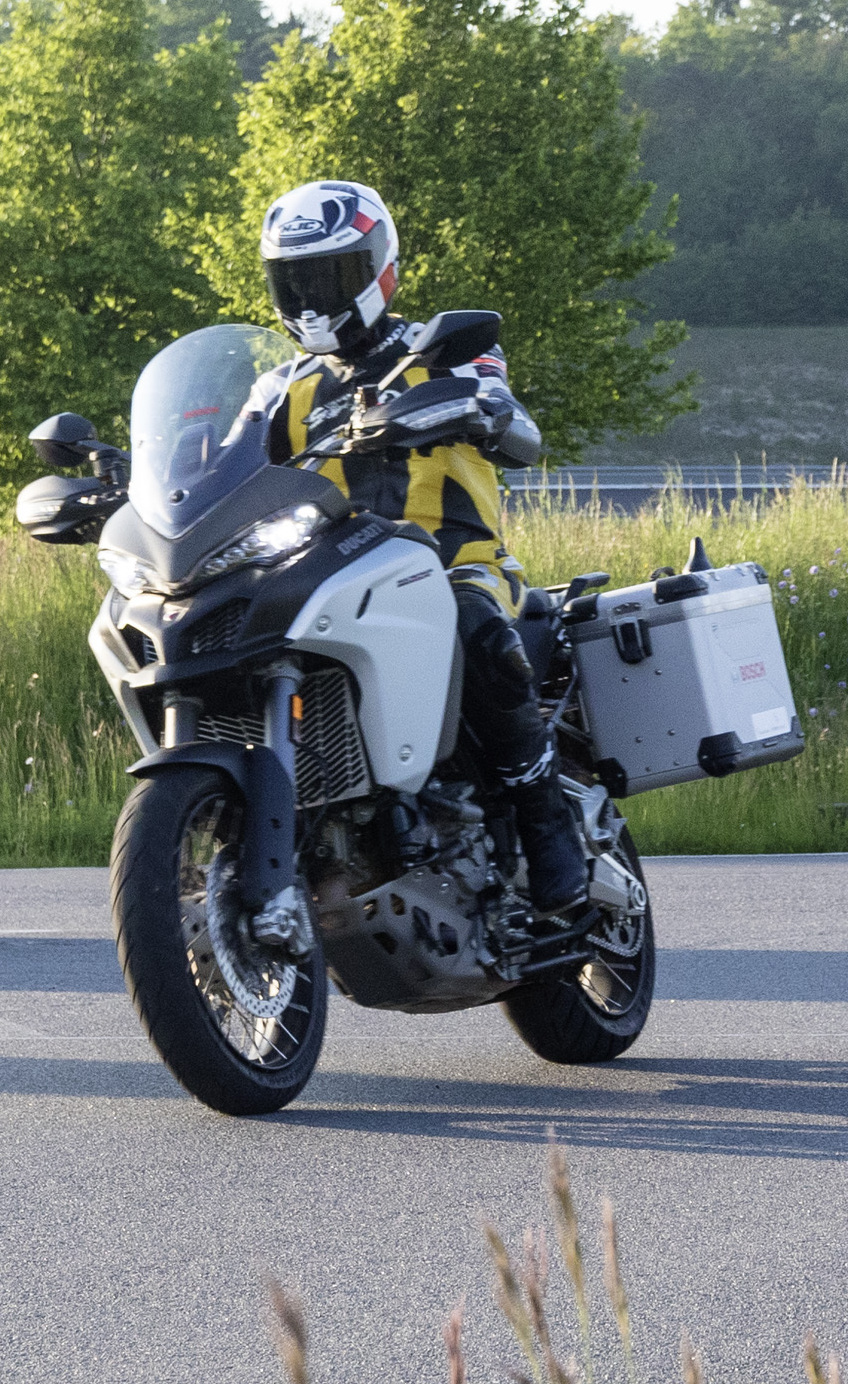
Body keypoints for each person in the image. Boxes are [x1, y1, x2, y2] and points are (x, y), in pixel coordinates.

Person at [242, 178, 589, 910]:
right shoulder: (280, 387)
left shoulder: (441, 348)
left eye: (327, 276)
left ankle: (544, 815)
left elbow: (519, 428)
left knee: (478, 631)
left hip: (450, 558)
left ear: (380, 271)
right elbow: (226, 461)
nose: (310, 296)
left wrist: (469, 407)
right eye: (293, 278)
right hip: (328, 575)